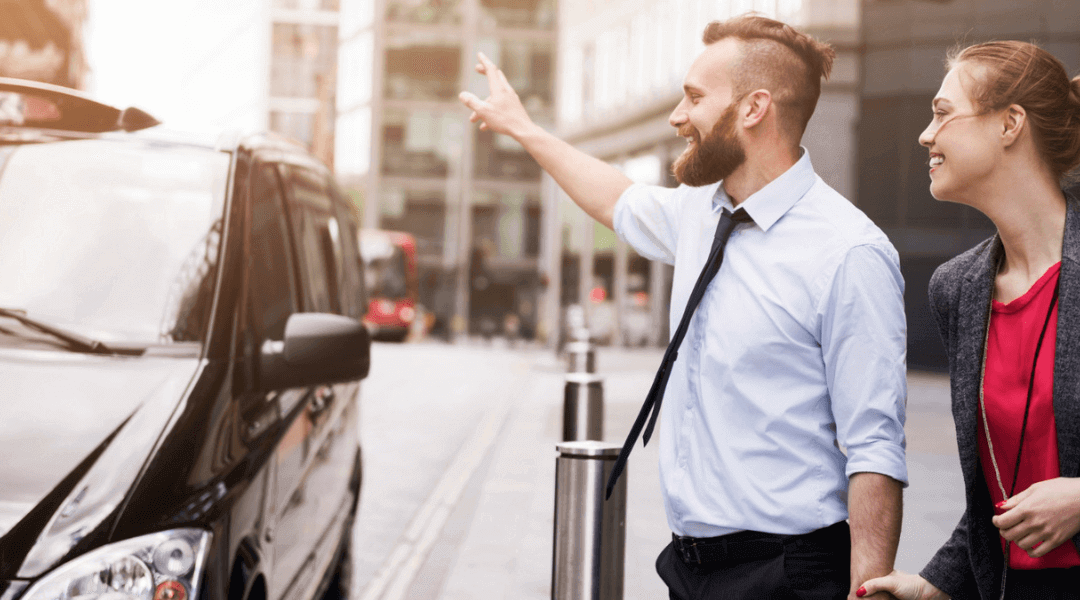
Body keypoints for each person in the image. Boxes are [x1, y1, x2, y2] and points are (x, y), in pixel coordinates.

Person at [460, 14, 908, 599]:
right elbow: (616, 198)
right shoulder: (702, 212)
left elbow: (875, 445)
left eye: (694, 98)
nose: (677, 117)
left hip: (790, 573)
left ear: (754, 108)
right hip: (689, 567)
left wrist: (869, 590)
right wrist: (524, 129)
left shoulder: (850, 253)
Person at [856, 41, 1080, 600]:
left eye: (942, 112)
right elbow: (994, 499)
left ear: (1010, 124)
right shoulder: (957, 288)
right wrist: (937, 584)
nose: (926, 135)